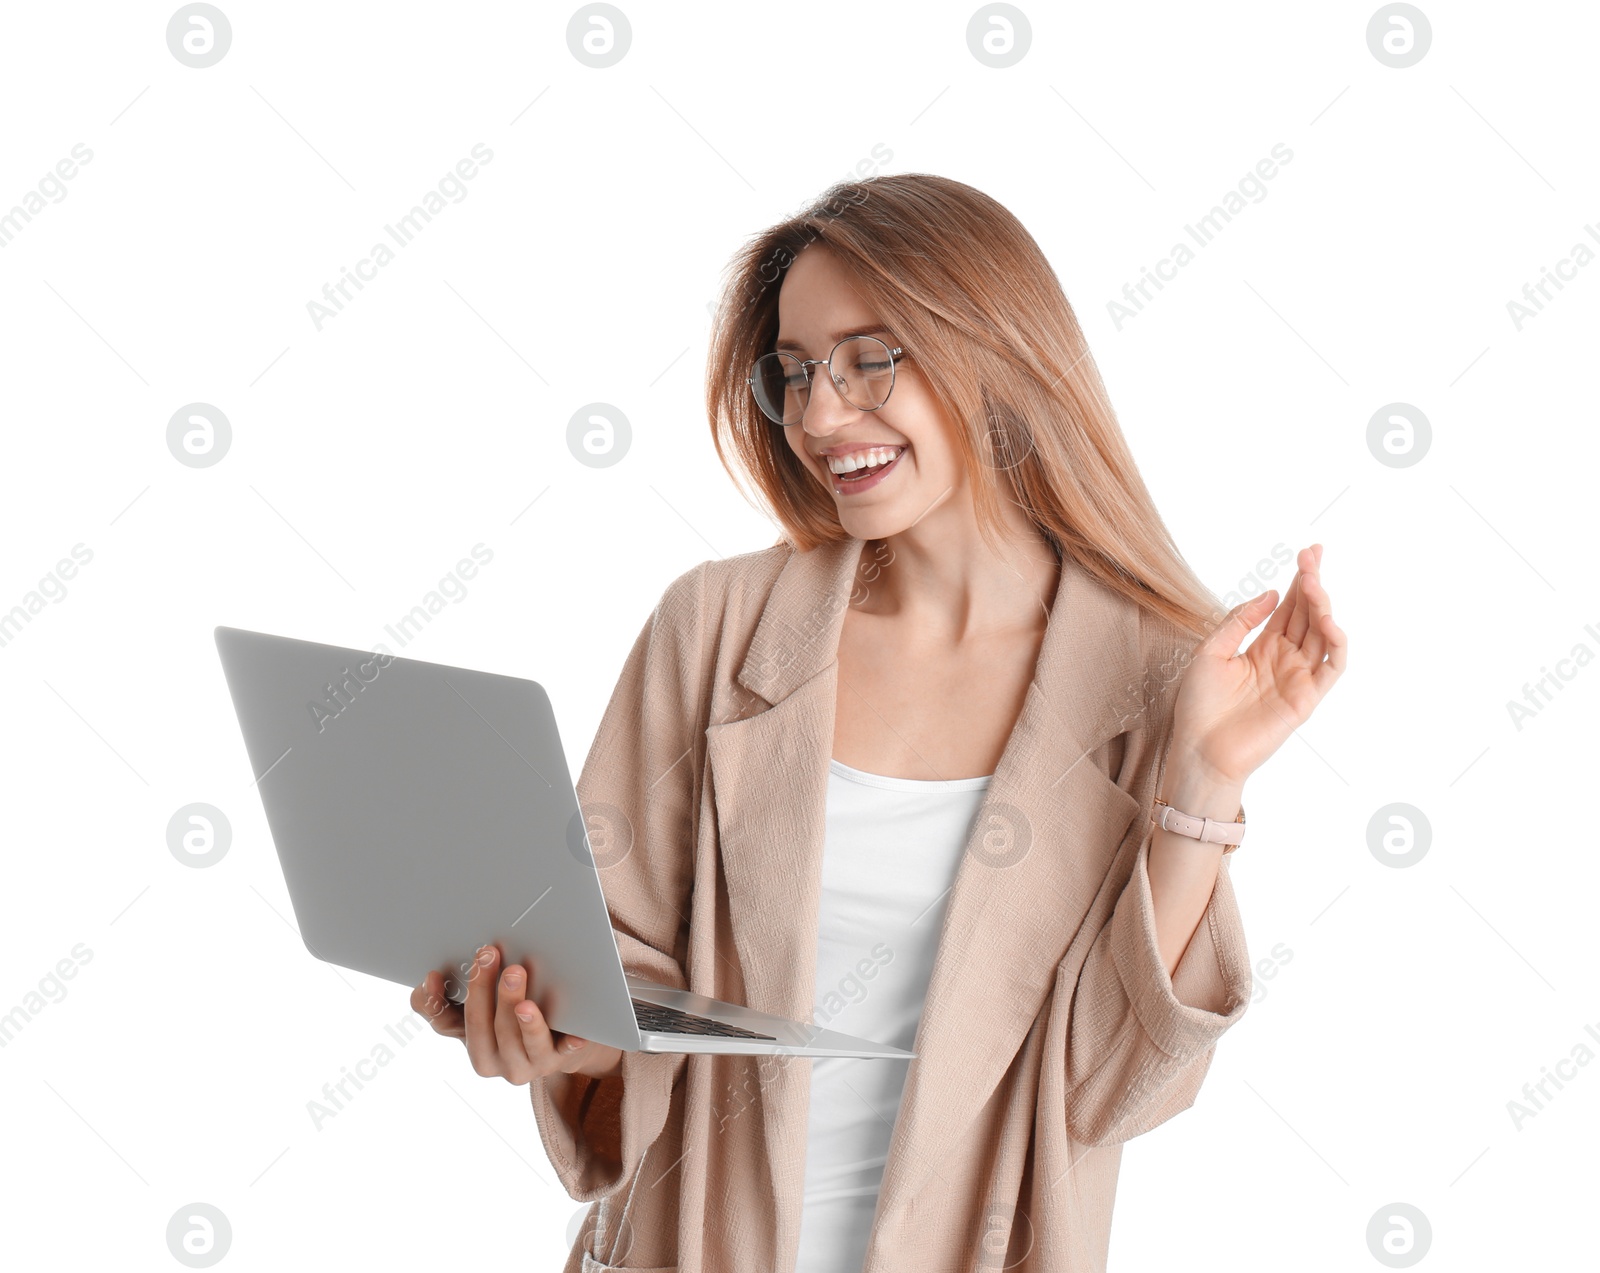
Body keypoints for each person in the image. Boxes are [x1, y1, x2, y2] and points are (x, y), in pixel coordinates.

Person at [412, 172, 1346, 1272]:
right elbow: (614, 976)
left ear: (992, 350)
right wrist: (545, 1030)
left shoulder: (1154, 679)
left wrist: (1205, 783)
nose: (817, 415)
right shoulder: (715, 627)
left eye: (869, 359)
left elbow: (1107, 1089)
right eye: (798, 371)